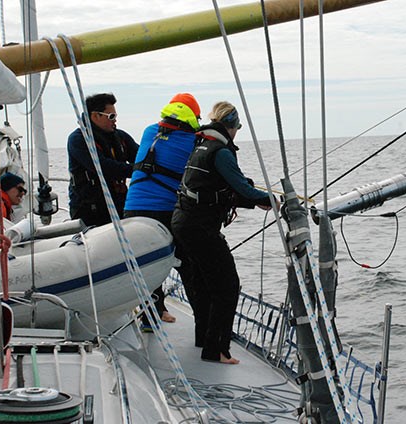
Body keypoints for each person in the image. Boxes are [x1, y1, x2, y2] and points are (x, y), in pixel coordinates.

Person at [171, 101, 276, 364]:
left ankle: (203, 340)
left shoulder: (202, 144)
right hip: (200, 227)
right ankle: (217, 349)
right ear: (232, 126)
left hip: (183, 221)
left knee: (204, 283)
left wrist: (253, 200)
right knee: (227, 285)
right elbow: (242, 187)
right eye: (237, 127)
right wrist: (274, 200)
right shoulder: (222, 152)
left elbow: (214, 191)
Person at [124, 93, 201, 326]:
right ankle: (203, 319)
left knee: (147, 265)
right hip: (164, 210)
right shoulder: (192, 142)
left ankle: (151, 315)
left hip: (132, 209)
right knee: (189, 265)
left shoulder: (149, 131)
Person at [67, 93, 139, 226]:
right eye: (111, 116)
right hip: (90, 209)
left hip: (118, 204)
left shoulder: (121, 137)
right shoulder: (78, 140)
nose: (115, 120)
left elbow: (141, 156)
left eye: (115, 116)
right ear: (95, 116)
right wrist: (138, 169)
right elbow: (103, 166)